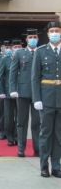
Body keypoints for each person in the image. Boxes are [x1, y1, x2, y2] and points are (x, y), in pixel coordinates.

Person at [32, 21, 61, 178]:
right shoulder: (41, 52)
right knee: (46, 134)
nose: (55, 33)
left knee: (59, 135)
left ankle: (56, 166)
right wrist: (37, 98)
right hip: (47, 99)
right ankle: (44, 166)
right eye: (52, 31)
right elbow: (35, 77)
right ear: (48, 34)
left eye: (57, 30)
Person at [9, 29, 40, 158]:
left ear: (38, 38)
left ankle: (37, 149)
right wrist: (13, 89)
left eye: (35, 37)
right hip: (22, 92)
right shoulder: (20, 53)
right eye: (30, 37)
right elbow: (13, 72)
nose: (32, 39)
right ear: (26, 39)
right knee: (21, 122)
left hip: (37, 93)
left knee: (36, 123)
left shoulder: (41, 52)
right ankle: (21, 148)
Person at [0, 39, 22, 146]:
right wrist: (1, 91)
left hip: (21, 91)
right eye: (15, 47)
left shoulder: (25, 57)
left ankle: (17, 136)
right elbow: (0, 77)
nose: (17, 49)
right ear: (11, 49)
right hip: (8, 91)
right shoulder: (5, 59)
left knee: (20, 116)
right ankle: (10, 137)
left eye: (19, 47)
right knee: (8, 116)